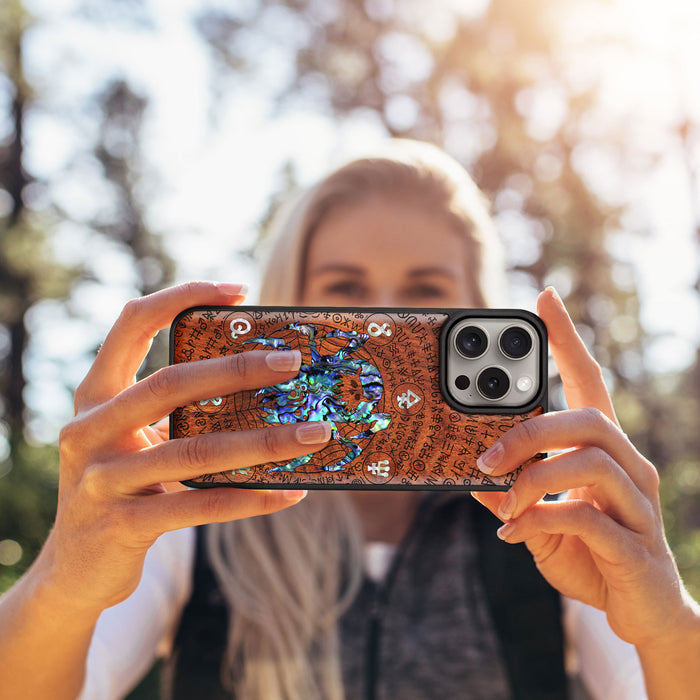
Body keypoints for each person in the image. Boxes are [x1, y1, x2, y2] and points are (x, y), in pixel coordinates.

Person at [1, 140, 699, 700]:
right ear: (285, 309)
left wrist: (667, 627)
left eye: (425, 293)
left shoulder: (545, 521)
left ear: (477, 313)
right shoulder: (198, 515)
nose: (384, 324)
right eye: (346, 293)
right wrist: (63, 581)